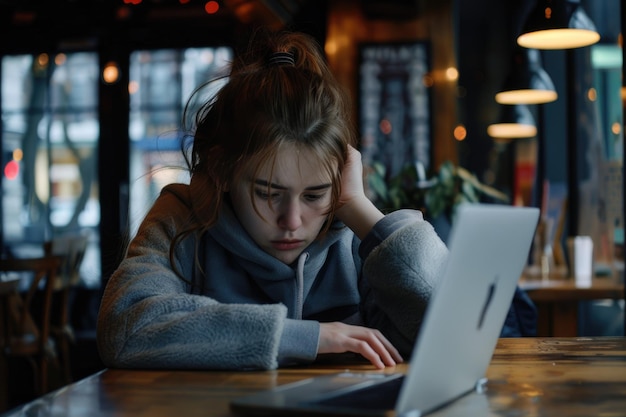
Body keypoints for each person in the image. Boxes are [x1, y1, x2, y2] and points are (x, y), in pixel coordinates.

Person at [96, 30, 449, 371]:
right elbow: (125, 329)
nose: (292, 221)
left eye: (315, 194)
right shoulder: (184, 217)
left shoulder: (354, 234)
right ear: (222, 171)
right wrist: (302, 338)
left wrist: (358, 207)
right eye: (267, 193)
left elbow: (449, 329)